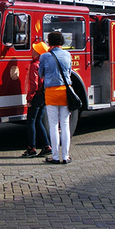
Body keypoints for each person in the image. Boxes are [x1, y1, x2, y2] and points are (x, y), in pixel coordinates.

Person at [39, 31, 74, 164]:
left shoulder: (45, 56)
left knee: (53, 125)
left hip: (51, 92)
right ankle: (65, 156)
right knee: (65, 124)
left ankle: (55, 156)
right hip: (65, 90)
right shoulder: (67, 54)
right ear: (61, 42)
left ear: (49, 42)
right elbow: (69, 72)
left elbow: (41, 73)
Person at [21, 41, 52, 158]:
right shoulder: (45, 64)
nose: (32, 50)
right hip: (44, 95)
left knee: (31, 121)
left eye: (35, 49)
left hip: (36, 96)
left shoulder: (34, 65)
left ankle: (31, 148)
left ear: (38, 53)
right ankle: (46, 146)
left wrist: (29, 98)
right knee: (39, 121)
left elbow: (33, 84)